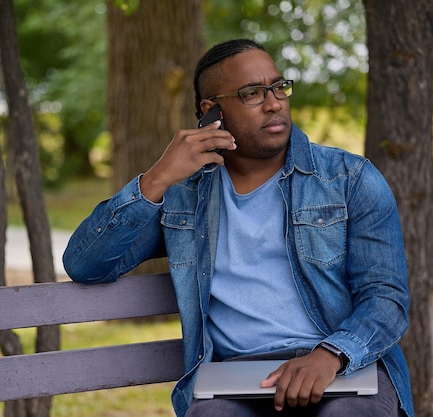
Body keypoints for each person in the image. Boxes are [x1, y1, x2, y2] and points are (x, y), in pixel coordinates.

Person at [62, 39, 413, 417]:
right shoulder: (184, 197)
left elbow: (386, 298)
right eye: (252, 93)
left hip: (340, 369)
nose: (274, 102)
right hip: (237, 381)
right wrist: (157, 179)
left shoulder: (350, 179)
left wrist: (330, 355)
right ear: (212, 111)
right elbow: (86, 264)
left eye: (279, 87)